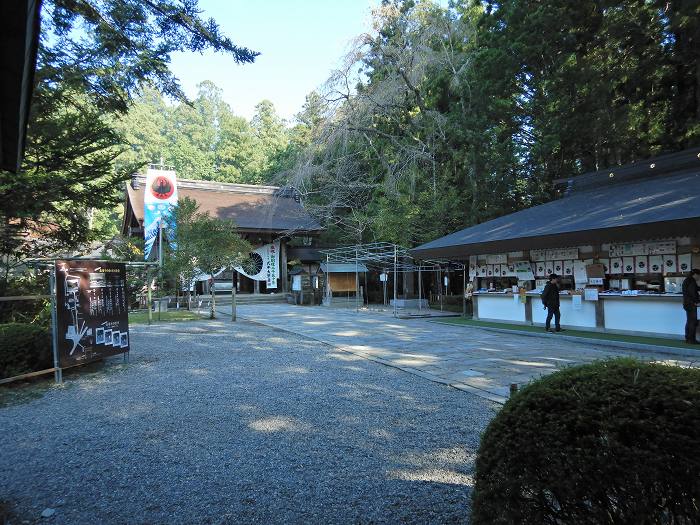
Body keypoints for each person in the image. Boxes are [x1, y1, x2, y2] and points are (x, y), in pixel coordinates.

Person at [682, 268, 700, 344]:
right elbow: (692, 293)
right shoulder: (691, 281)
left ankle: (688, 338)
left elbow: (695, 289)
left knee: (689, 321)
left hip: (687, 303)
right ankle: (691, 340)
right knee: (693, 322)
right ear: (695, 274)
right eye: (699, 276)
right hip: (691, 303)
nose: (699, 278)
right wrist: (697, 302)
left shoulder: (687, 280)